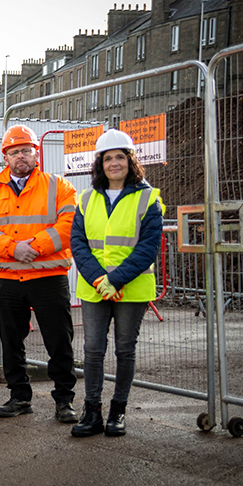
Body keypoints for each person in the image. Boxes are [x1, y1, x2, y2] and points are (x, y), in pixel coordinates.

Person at [0, 124, 79, 423]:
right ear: (5, 157)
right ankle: (19, 397)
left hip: (48, 277)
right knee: (10, 342)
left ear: (36, 154)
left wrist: (33, 247)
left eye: (26, 150)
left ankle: (65, 400)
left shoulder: (59, 186)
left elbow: (69, 224)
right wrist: (12, 249)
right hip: (9, 278)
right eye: (14, 151)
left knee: (59, 342)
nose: (20, 156)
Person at [70, 129, 164, 437]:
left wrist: (116, 279)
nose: (114, 163)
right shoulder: (86, 199)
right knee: (93, 349)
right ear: (100, 164)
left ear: (130, 160)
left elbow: (147, 247)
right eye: (108, 158)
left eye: (120, 157)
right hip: (95, 288)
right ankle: (92, 411)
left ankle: (117, 411)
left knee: (125, 349)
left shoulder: (148, 198)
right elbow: (78, 243)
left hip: (131, 289)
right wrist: (100, 280)